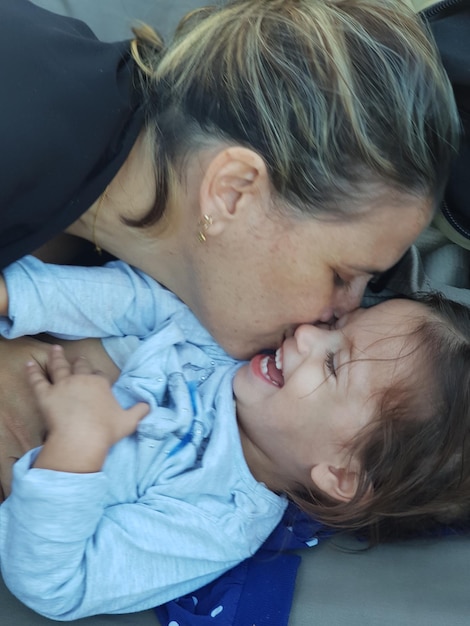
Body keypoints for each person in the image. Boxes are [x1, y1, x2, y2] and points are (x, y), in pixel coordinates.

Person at [0, 256, 469, 621]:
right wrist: (12, 295)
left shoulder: (217, 521)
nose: (305, 334)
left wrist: (74, 449)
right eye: (335, 327)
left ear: (341, 473)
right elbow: (134, 300)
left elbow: (56, 583)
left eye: (332, 365)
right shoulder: (233, 344)